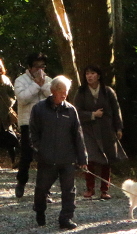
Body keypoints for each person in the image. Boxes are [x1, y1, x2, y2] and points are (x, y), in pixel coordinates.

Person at [30, 75, 87, 230]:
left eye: (66, 91)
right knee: (41, 189)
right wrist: (40, 149)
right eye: (61, 90)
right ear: (53, 90)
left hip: (67, 158)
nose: (64, 94)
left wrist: (82, 158)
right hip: (47, 158)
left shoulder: (71, 110)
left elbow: (78, 135)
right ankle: (40, 210)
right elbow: (33, 133)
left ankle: (66, 218)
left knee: (69, 191)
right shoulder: (39, 108)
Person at [72, 65, 124, 200]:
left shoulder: (108, 91)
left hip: (106, 129)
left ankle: (104, 189)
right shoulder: (81, 92)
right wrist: (92, 114)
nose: (89, 76)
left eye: (92, 73)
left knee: (106, 160)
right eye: (87, 73)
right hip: (88, 129)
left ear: (98, 76)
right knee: (89, 159)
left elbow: (116, 110)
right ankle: (90, 188)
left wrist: (118, 128)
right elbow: (75, 110)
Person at [14, 52, 53, 198]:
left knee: (46, 157)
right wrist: (37, 85)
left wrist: (42, 85)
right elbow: (23, 99)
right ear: (29, 67)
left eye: (42, 66)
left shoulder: (48, 80)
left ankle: (45, 190)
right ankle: (21, 182)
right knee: (27, 155)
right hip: (27, 123)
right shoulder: (20, 80)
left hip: (46, 123)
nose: (40, 70)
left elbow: (53, 97)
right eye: (36, 66)